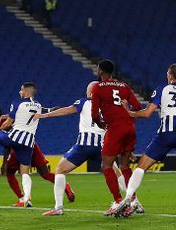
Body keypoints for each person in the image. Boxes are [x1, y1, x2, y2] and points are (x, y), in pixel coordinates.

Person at [113, 63, 176, 218]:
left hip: (166, 133)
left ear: (171, 75)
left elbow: (147, 113)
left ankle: (128, 198)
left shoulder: (163, 89)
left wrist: (129, 112)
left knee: (141, 166)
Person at [35, 83, 134, 216]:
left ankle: (58, 207)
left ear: (90, 92)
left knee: (60, 170)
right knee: (116, 172)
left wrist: (46, 115)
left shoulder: (84, 102)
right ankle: (131, 201)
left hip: (84, 146)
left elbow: (67, 110)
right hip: (102, 147)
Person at [0, 105, 74, 207]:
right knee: (44, 173)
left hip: (19, 148)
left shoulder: (2, 122)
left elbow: (7, 144)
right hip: (31, 145)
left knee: (10, 172)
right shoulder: (10, 118)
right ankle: (64, 186)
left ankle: (22, 199)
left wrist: (4, 162)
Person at [90, 59, 145, 216]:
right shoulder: (124, 86)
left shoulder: (97, 87)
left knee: (106, 166)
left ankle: (118, 201)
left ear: (100, 71)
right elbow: (138, 107)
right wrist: (125, 109)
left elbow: (94, 114)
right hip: (130, 128)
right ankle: (133, 201)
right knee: (125, 166)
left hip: (115, 129)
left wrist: (100, 123)